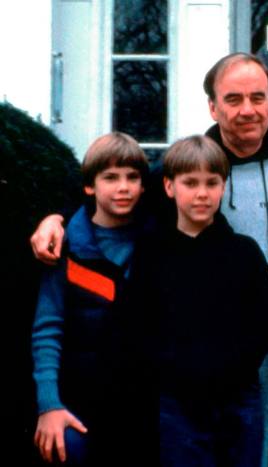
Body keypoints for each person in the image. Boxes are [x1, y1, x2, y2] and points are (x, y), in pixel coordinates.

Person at [30, 52, 268, 467]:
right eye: (233, 99)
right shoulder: (185, 164)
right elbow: (114, 189)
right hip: (179, 376)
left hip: (256, 357)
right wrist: (57, 216)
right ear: (213, 107)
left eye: (258, 97)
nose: (247, 109)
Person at [124, 135, 268, 466]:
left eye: (212, 183)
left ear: (223, 187)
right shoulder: (152, 253)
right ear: (169, 187)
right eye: (190, 183)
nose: (201, 193)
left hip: (238, 399)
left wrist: (232, 370)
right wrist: (174, 371)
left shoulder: (243, 252)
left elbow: (266, 321)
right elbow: (138, 324)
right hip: (177, 403)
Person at [31, 132, 149, 465]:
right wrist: (49, 405)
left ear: (144, 186)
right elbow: (47, 329)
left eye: (132, 177)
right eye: (110, 177)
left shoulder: (158, 242)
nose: (123, 187)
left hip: (143, 406)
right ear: (89, 186)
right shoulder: (65, 247)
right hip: (79, 403)